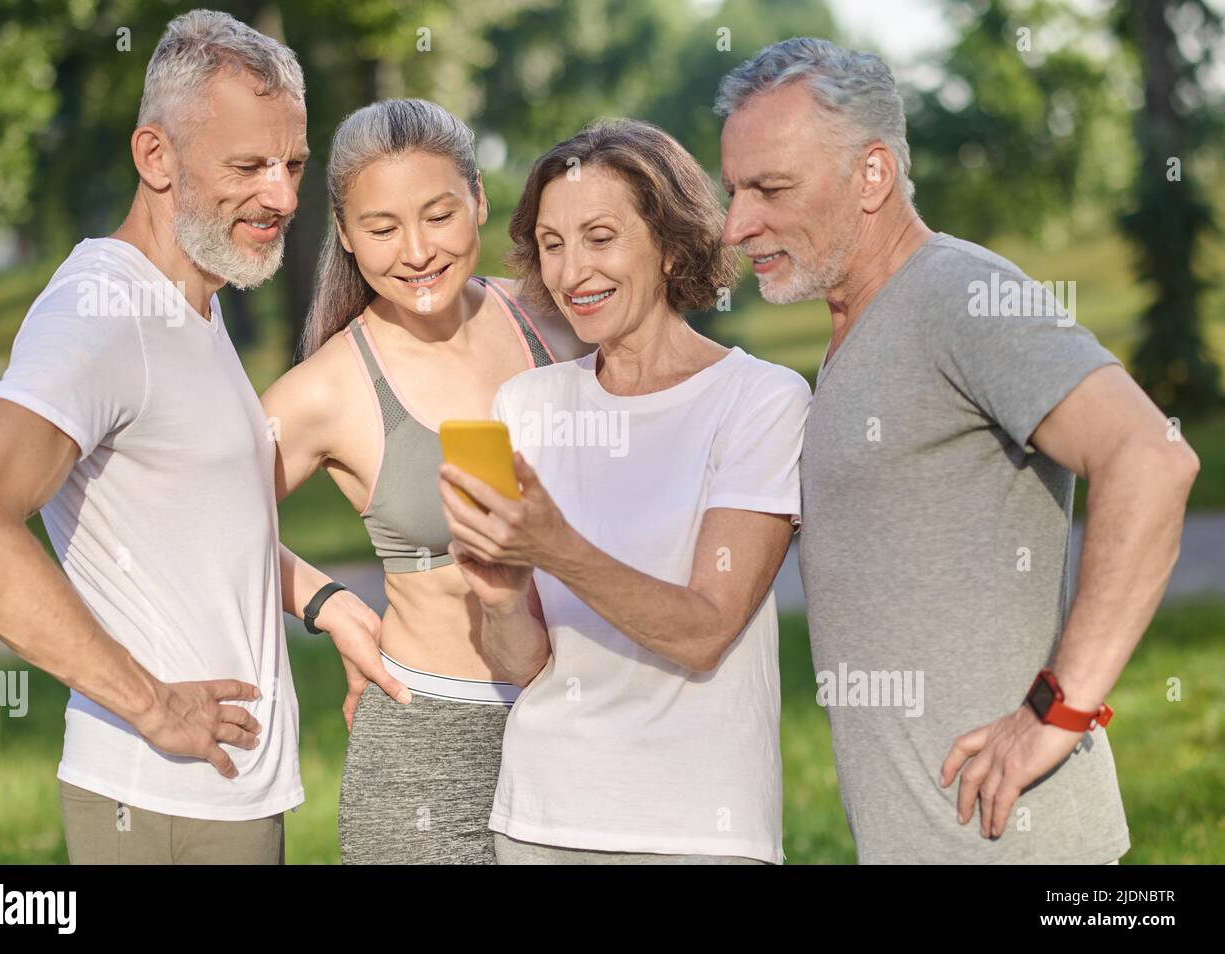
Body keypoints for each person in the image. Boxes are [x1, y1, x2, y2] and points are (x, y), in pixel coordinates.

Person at [714, 36, 1199, 863]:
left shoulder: (957, 293)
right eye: (734, 190)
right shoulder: (855, 331)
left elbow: (1152, 458)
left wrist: (1061, 710)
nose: (736, 225)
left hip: (1019, 847)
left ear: (872, 175)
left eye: (770, 189)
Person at [0, 11, 327, 863]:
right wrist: (149, 705)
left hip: (225, 797)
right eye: (249, 166)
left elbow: (201, 531)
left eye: (292, 163)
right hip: (162, 803)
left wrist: (331, 606)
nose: (285, 196)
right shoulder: (101, 313)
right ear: (156, 158)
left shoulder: (194, 299)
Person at [438, 118, 811, 865]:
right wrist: (503, 594)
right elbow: (521, 664)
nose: (572, 272)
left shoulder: (760, 400)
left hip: (700, 829)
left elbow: (704, 630)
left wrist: (556, 548)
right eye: (552, 245)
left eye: (600, 237)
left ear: (671, 245)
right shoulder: (527, 405)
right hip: (541, 822)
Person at [260, 98, 587, 864]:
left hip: (582, 732)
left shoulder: (555, 321)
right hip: (429, 749)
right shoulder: (328, 389)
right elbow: (190, 518)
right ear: (344, 234)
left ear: (478, 199)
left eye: (438, 215)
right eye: (380, 229)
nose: (415, 251)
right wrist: (327, 604)